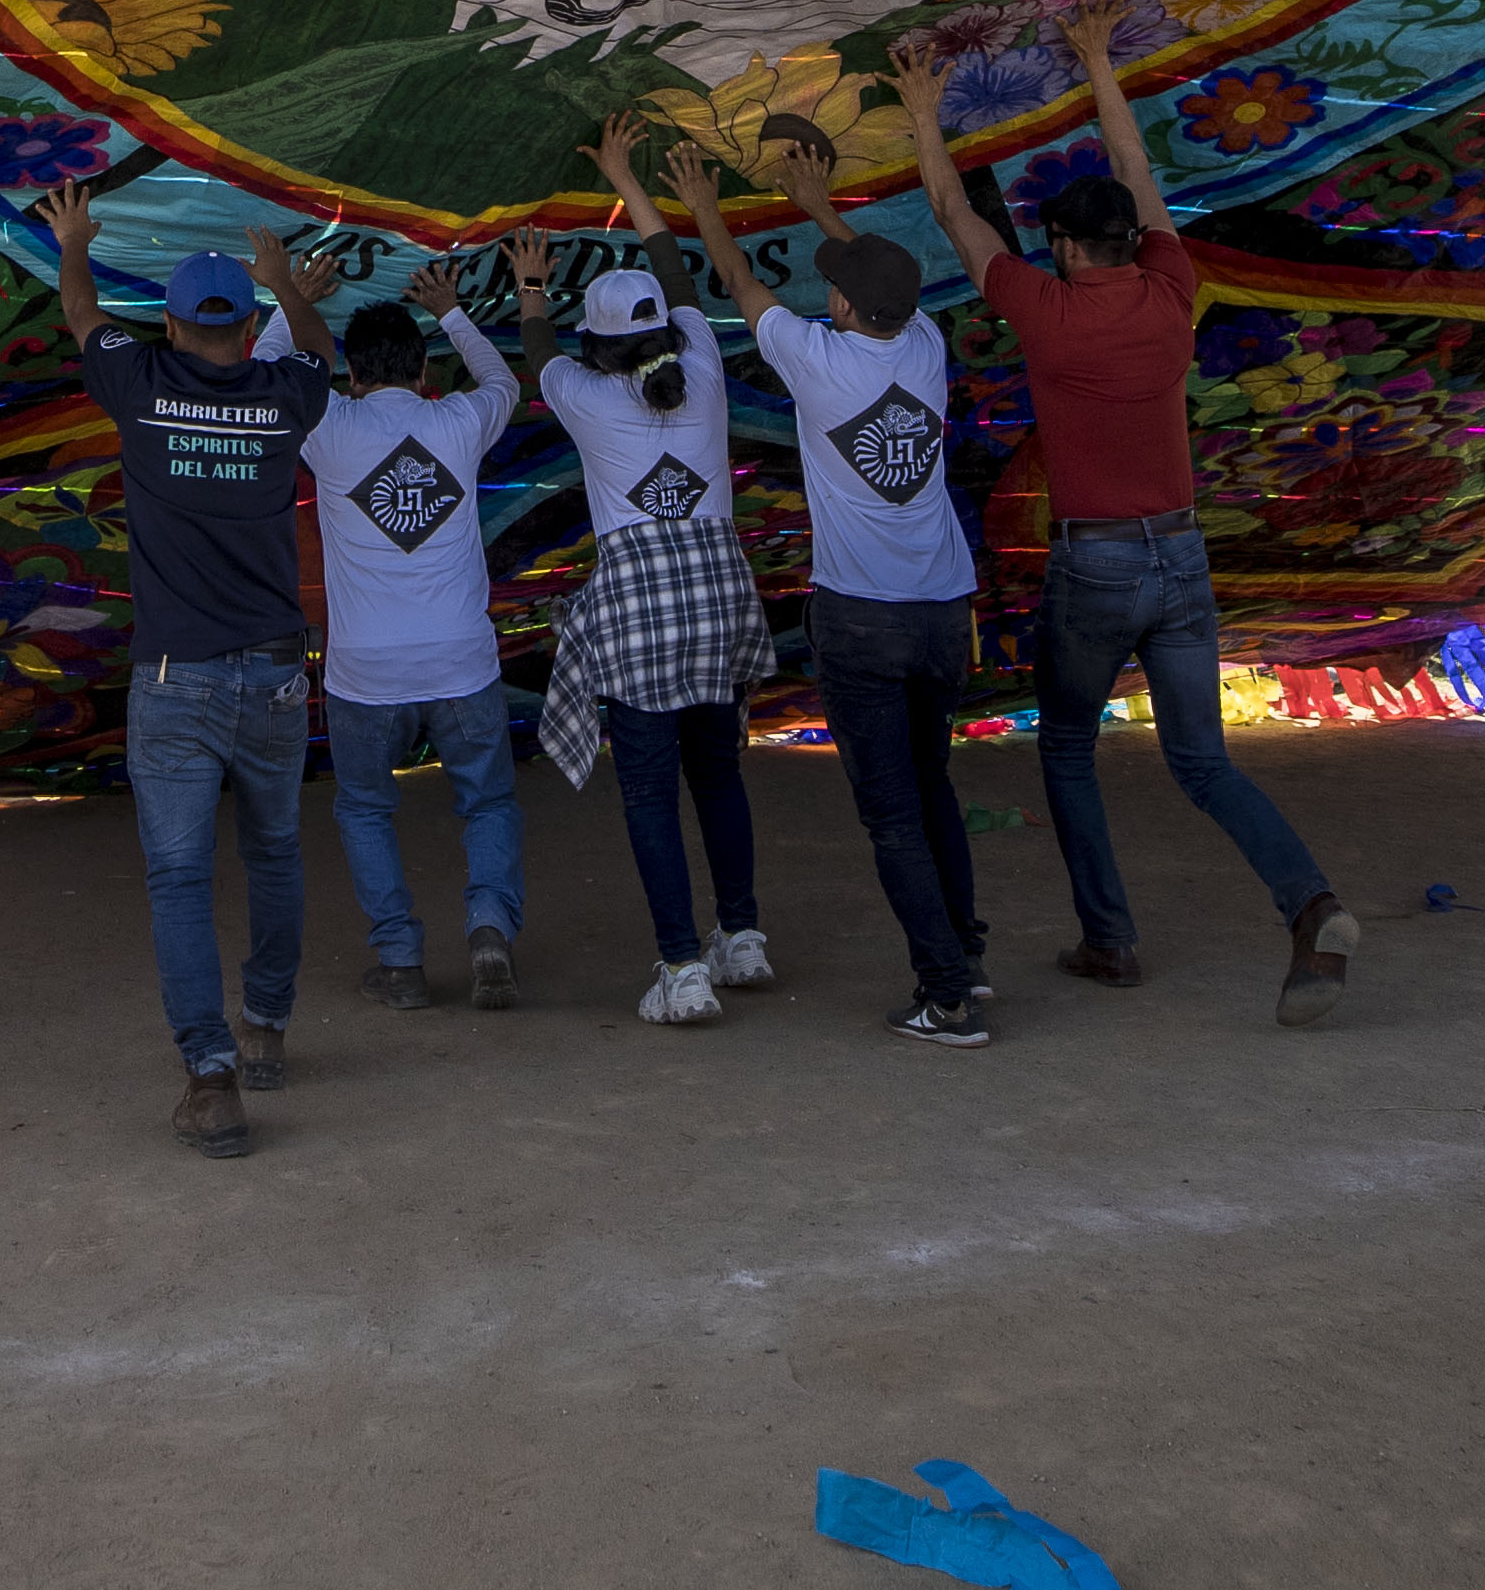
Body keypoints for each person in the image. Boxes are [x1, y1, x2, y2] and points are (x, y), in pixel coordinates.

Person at [892, 12, 1353, 1024]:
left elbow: (947, 209)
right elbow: (1144, 176)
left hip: (1095, 567)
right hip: (1182, 556)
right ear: (1130, 243)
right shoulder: (1170, 289)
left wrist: (924, 111)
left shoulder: (1045, 311)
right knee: (1202, 762)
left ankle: (1110, 939)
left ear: (1059, 245)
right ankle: (1308, 902)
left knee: (1065, 745)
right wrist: (1099, 62)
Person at [667, 136, 992, 1046]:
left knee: (892, 814)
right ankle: (964, 955)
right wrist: (820, 206)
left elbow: (737, 280)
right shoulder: (923, 343)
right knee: (932, 789)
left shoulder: (816, 359)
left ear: (841, 306)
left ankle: (946, 996)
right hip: (941, 612)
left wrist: (701, 200)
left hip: (860, 615)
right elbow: (881, 290)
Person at [40, 184, 342, 1160]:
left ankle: (210, 1081)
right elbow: (323, 357)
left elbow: (81, 315)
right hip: (275, 674)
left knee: (178, 878)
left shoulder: (140, 384)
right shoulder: (285, 396)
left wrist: (76, 241)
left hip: (177, 678)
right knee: (275, 855)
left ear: (170, 326)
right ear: (248, 329)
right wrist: (290, 289)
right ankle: (266, 1028)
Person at [537, 122, 774, 1026]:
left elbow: (534, 343)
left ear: (595, 349)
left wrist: (528, 285)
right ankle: (741, 937)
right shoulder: (707, 368)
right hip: (720, 599)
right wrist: (630, 182)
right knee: (718, 776)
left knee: (649, 792)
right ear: (671, 332)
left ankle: (682, 968)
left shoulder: (582, 394)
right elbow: (676, 275)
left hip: (640, 611)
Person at [303, 258, 527, 1015]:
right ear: (425, 369)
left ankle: (400, 961)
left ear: (352, 375)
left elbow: (266, 373)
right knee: (488, 802)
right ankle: (490, 928)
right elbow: (505, 383)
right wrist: (454, 311)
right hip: (462, 659)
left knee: (365, 809)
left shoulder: (327, 425)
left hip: (364, 672)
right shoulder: (458, 421)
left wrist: (291, 298)